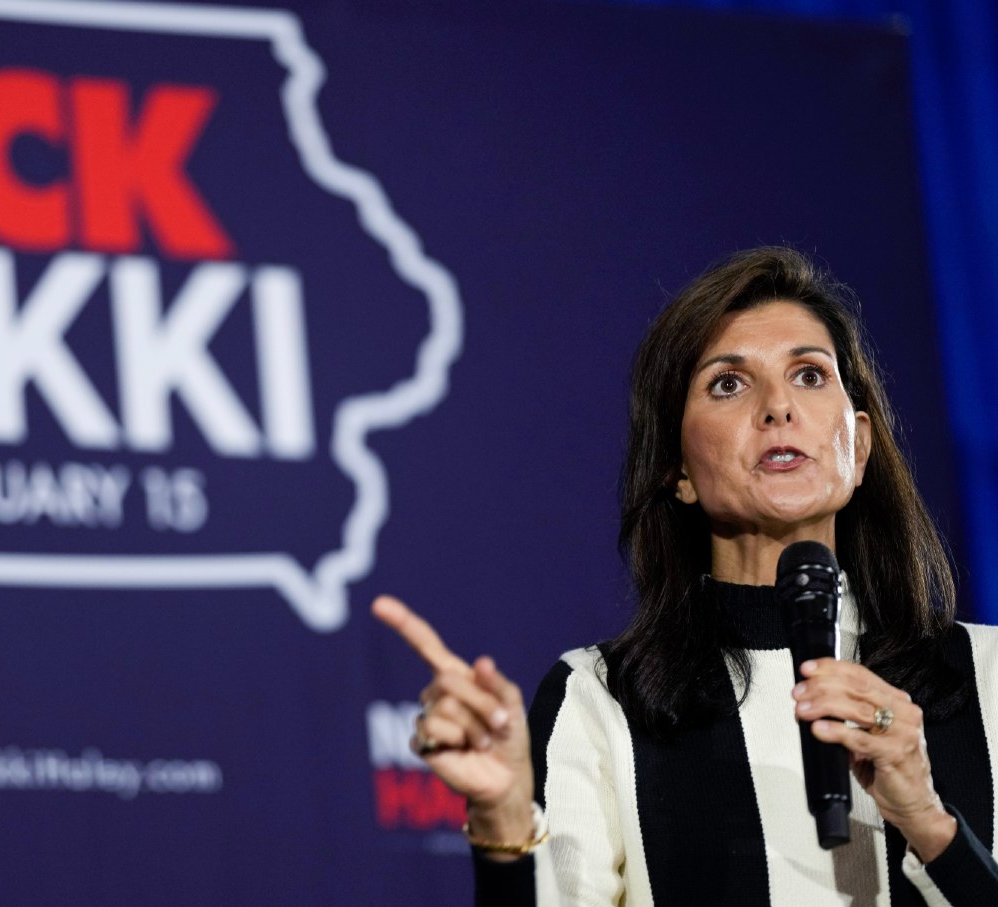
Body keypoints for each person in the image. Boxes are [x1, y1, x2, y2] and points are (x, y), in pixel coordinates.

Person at [375, 247, 998, 906]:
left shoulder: (986, 673)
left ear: (861, 444)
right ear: (676, 468)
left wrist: (930, 824)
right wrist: (504, 821)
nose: (778, 406)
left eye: (810, 374)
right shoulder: (600, 699)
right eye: (729, 383)